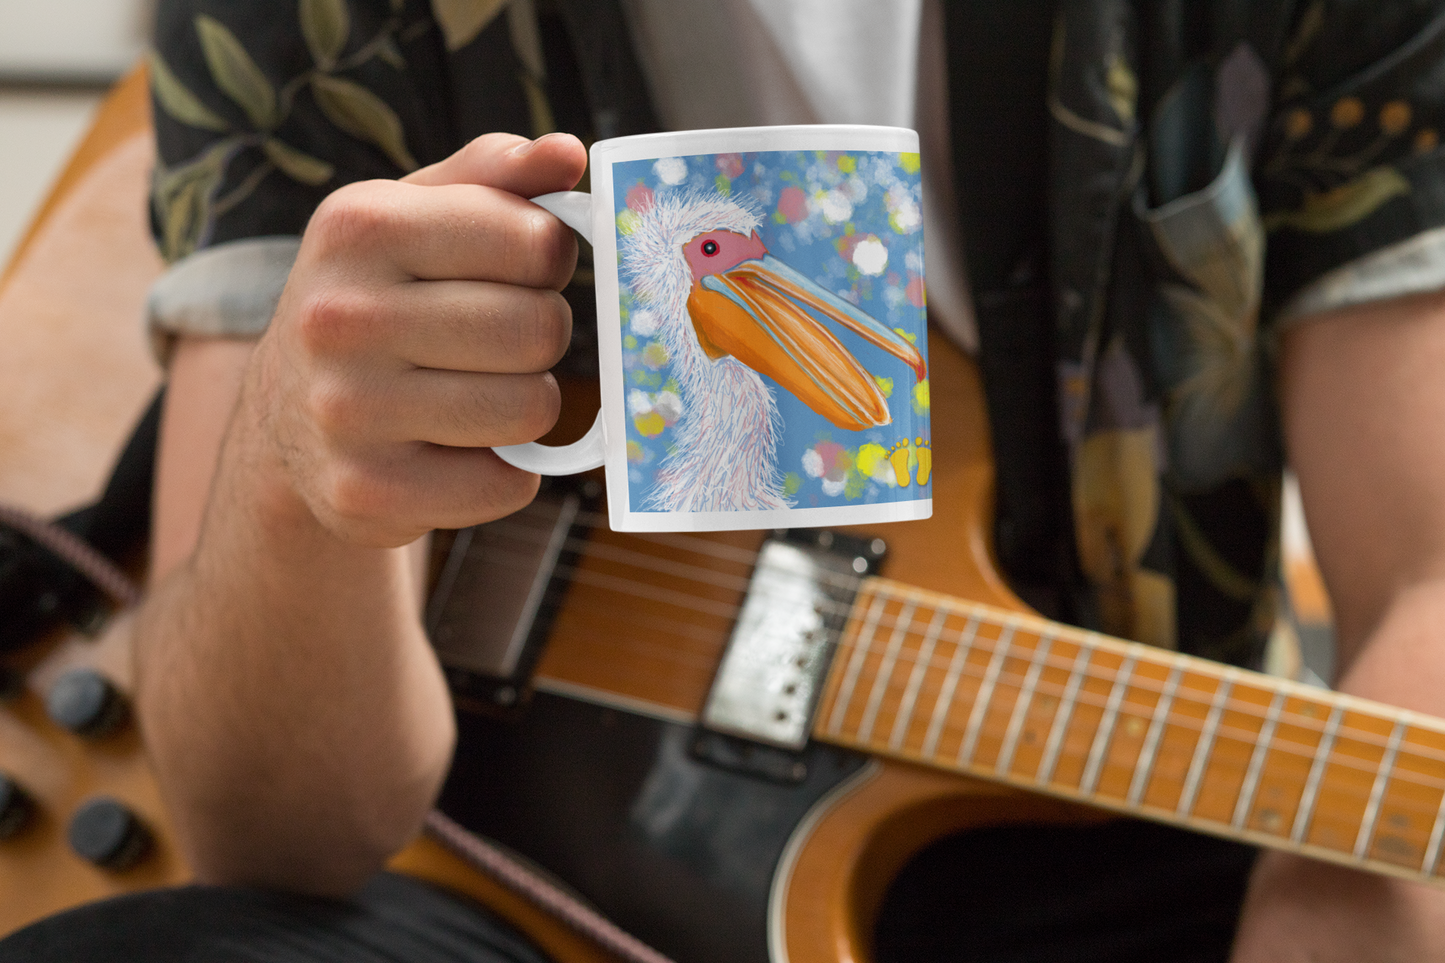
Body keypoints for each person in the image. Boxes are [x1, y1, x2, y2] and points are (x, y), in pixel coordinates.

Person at [5, 0, 1445, 960]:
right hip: (488, 868)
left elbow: (1428, 579)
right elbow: (257, 827)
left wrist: (1349, 897)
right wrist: (290, 470)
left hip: (1103, 833)